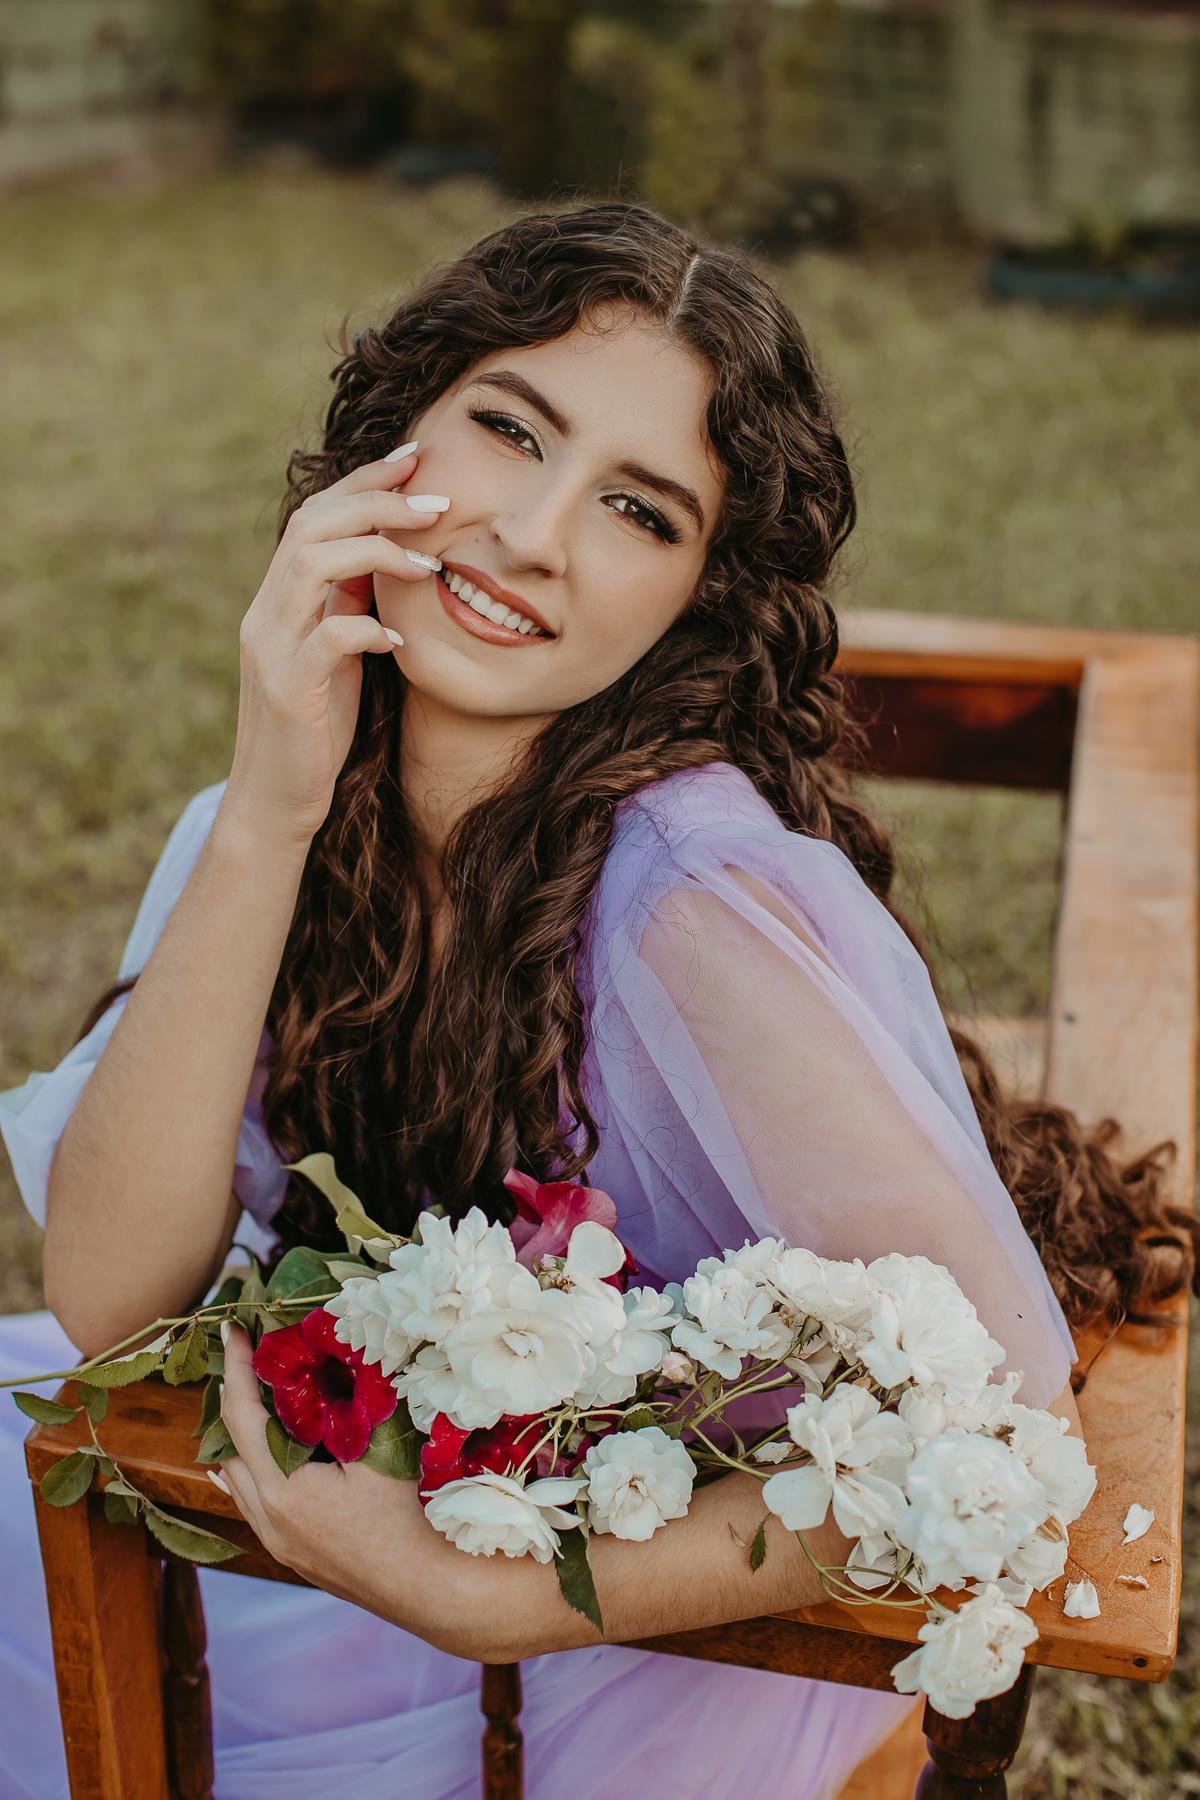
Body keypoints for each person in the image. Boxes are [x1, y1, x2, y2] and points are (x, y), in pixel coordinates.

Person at [0, 203, 1187, 1800]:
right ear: (390, 432)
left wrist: (490, 1596)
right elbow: (111, 1302)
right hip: (366, 1514)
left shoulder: (686, 912)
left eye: (637, 508)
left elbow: (998, 1430)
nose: (535, 535)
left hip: (660, 1626)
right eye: (507, 429)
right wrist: (269, 812)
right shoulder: (270, 824)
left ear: (695, 599)